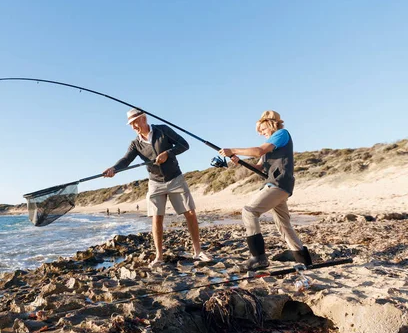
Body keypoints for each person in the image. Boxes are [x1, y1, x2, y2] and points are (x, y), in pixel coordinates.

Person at [104, 108, 210, 267]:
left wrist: (168, 153)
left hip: (175, 178)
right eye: (130, 124)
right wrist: (114, 169)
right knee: (157, 218)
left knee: (190, 212)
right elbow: (126, 160)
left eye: (134, 122)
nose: (133, 126)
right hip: (155, 182)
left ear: (143, 119)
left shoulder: (163, 130)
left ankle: (198, 251)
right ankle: (159, 257)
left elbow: (184, 145)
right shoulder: (135, 144)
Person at [218, 110, 312, 270]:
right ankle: (303, 260)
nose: (262, 134)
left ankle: (259, 257)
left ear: (271, 124)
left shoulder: (281, 134)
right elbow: (259, 166)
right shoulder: (271, 145)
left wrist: (233, 150)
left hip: (278, 184)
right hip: (280, 185)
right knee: (283, 224)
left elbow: (258, 151)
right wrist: (239, 161)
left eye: (262, 130)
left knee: (249, 212)